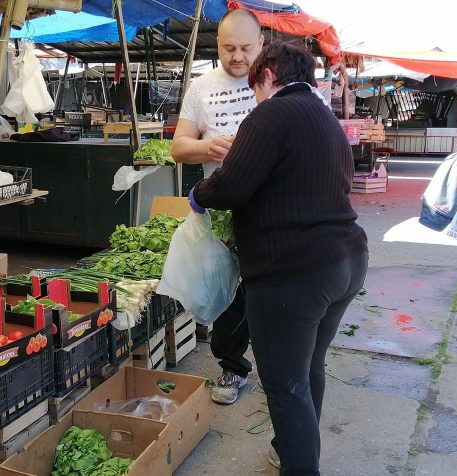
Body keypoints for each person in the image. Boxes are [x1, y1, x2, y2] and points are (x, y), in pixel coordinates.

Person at [191, 39, 369, 475]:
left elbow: (231, 185)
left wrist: (198, 194)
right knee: (307, 367)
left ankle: (300, 466)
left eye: (255, 86)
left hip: (292, 273)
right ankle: (287, 449)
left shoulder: (271, 113)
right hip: (345, 261)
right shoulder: (324, 117)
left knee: (285, 383)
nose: (254, 95)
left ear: (268, 76)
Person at [171, 8, 263, 405]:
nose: (238, 56)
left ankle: (284, 374)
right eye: (229, 48)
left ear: (262, 45)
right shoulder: (201, 88)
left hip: (272, 208)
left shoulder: (279, 84)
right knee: (228, 292)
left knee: (271, 290)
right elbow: (178, 147)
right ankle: (231, 367)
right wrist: (206, 147)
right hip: (222, 210)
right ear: (217, 46)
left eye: (246, 47)